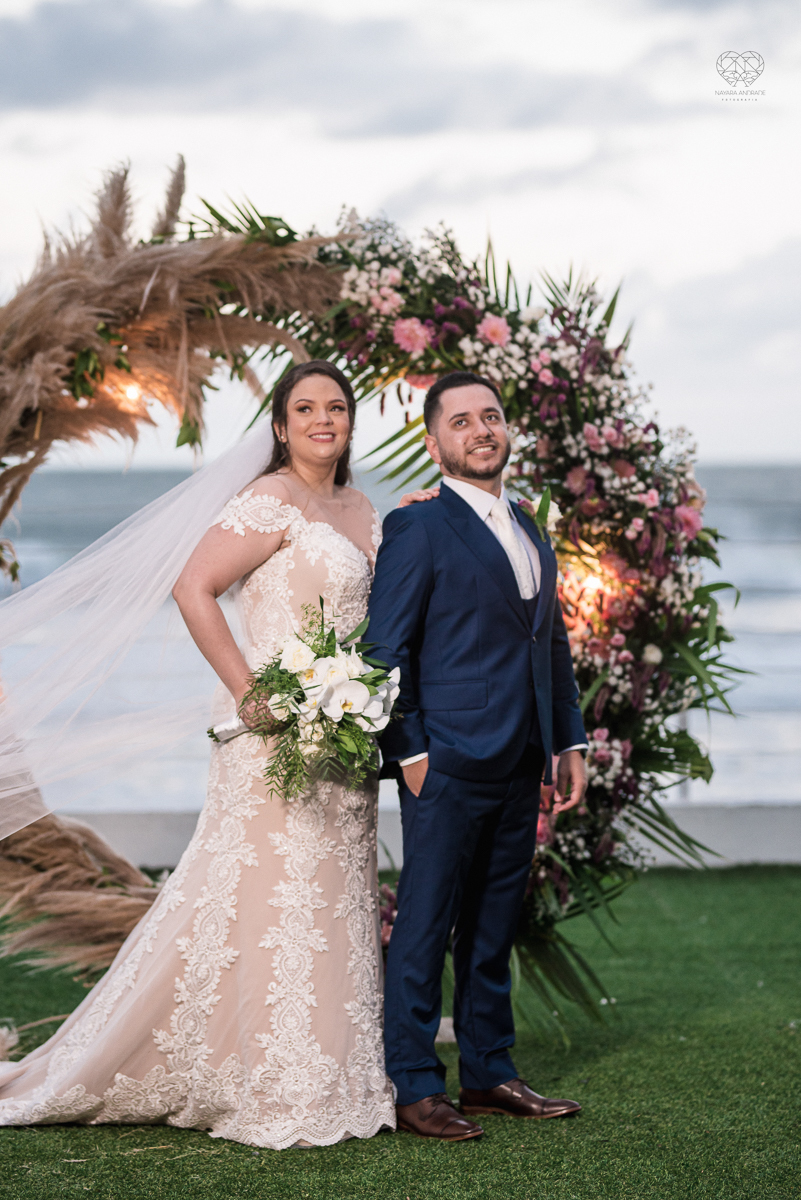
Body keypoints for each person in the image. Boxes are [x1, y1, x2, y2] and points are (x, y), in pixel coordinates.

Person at [0, 361, 397, 1150]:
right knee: (265, 900)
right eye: (305, 408)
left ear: (351, 423)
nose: (324, 419)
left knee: (333, 899)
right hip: (271, 737)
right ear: (279, 427)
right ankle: (272, 1080)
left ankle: (332, 1070)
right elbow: (192, 587)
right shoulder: (272, 498)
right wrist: (250, 692)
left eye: (338, 407)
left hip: (343, 737)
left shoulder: (361, 507)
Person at [367, 371, 588, 1142]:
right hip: (447, 762)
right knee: (425, 926)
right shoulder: (417, 528)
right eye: (461, 421)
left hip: (523, 756)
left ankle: (490, 1070)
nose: (481, 429)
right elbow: (381, 652)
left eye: (490, 416)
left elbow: (549, 642)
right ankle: (413, 1084)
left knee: (493, 926)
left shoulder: (528, 525)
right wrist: (411, 752)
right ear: (435, 443)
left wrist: (568, 738)